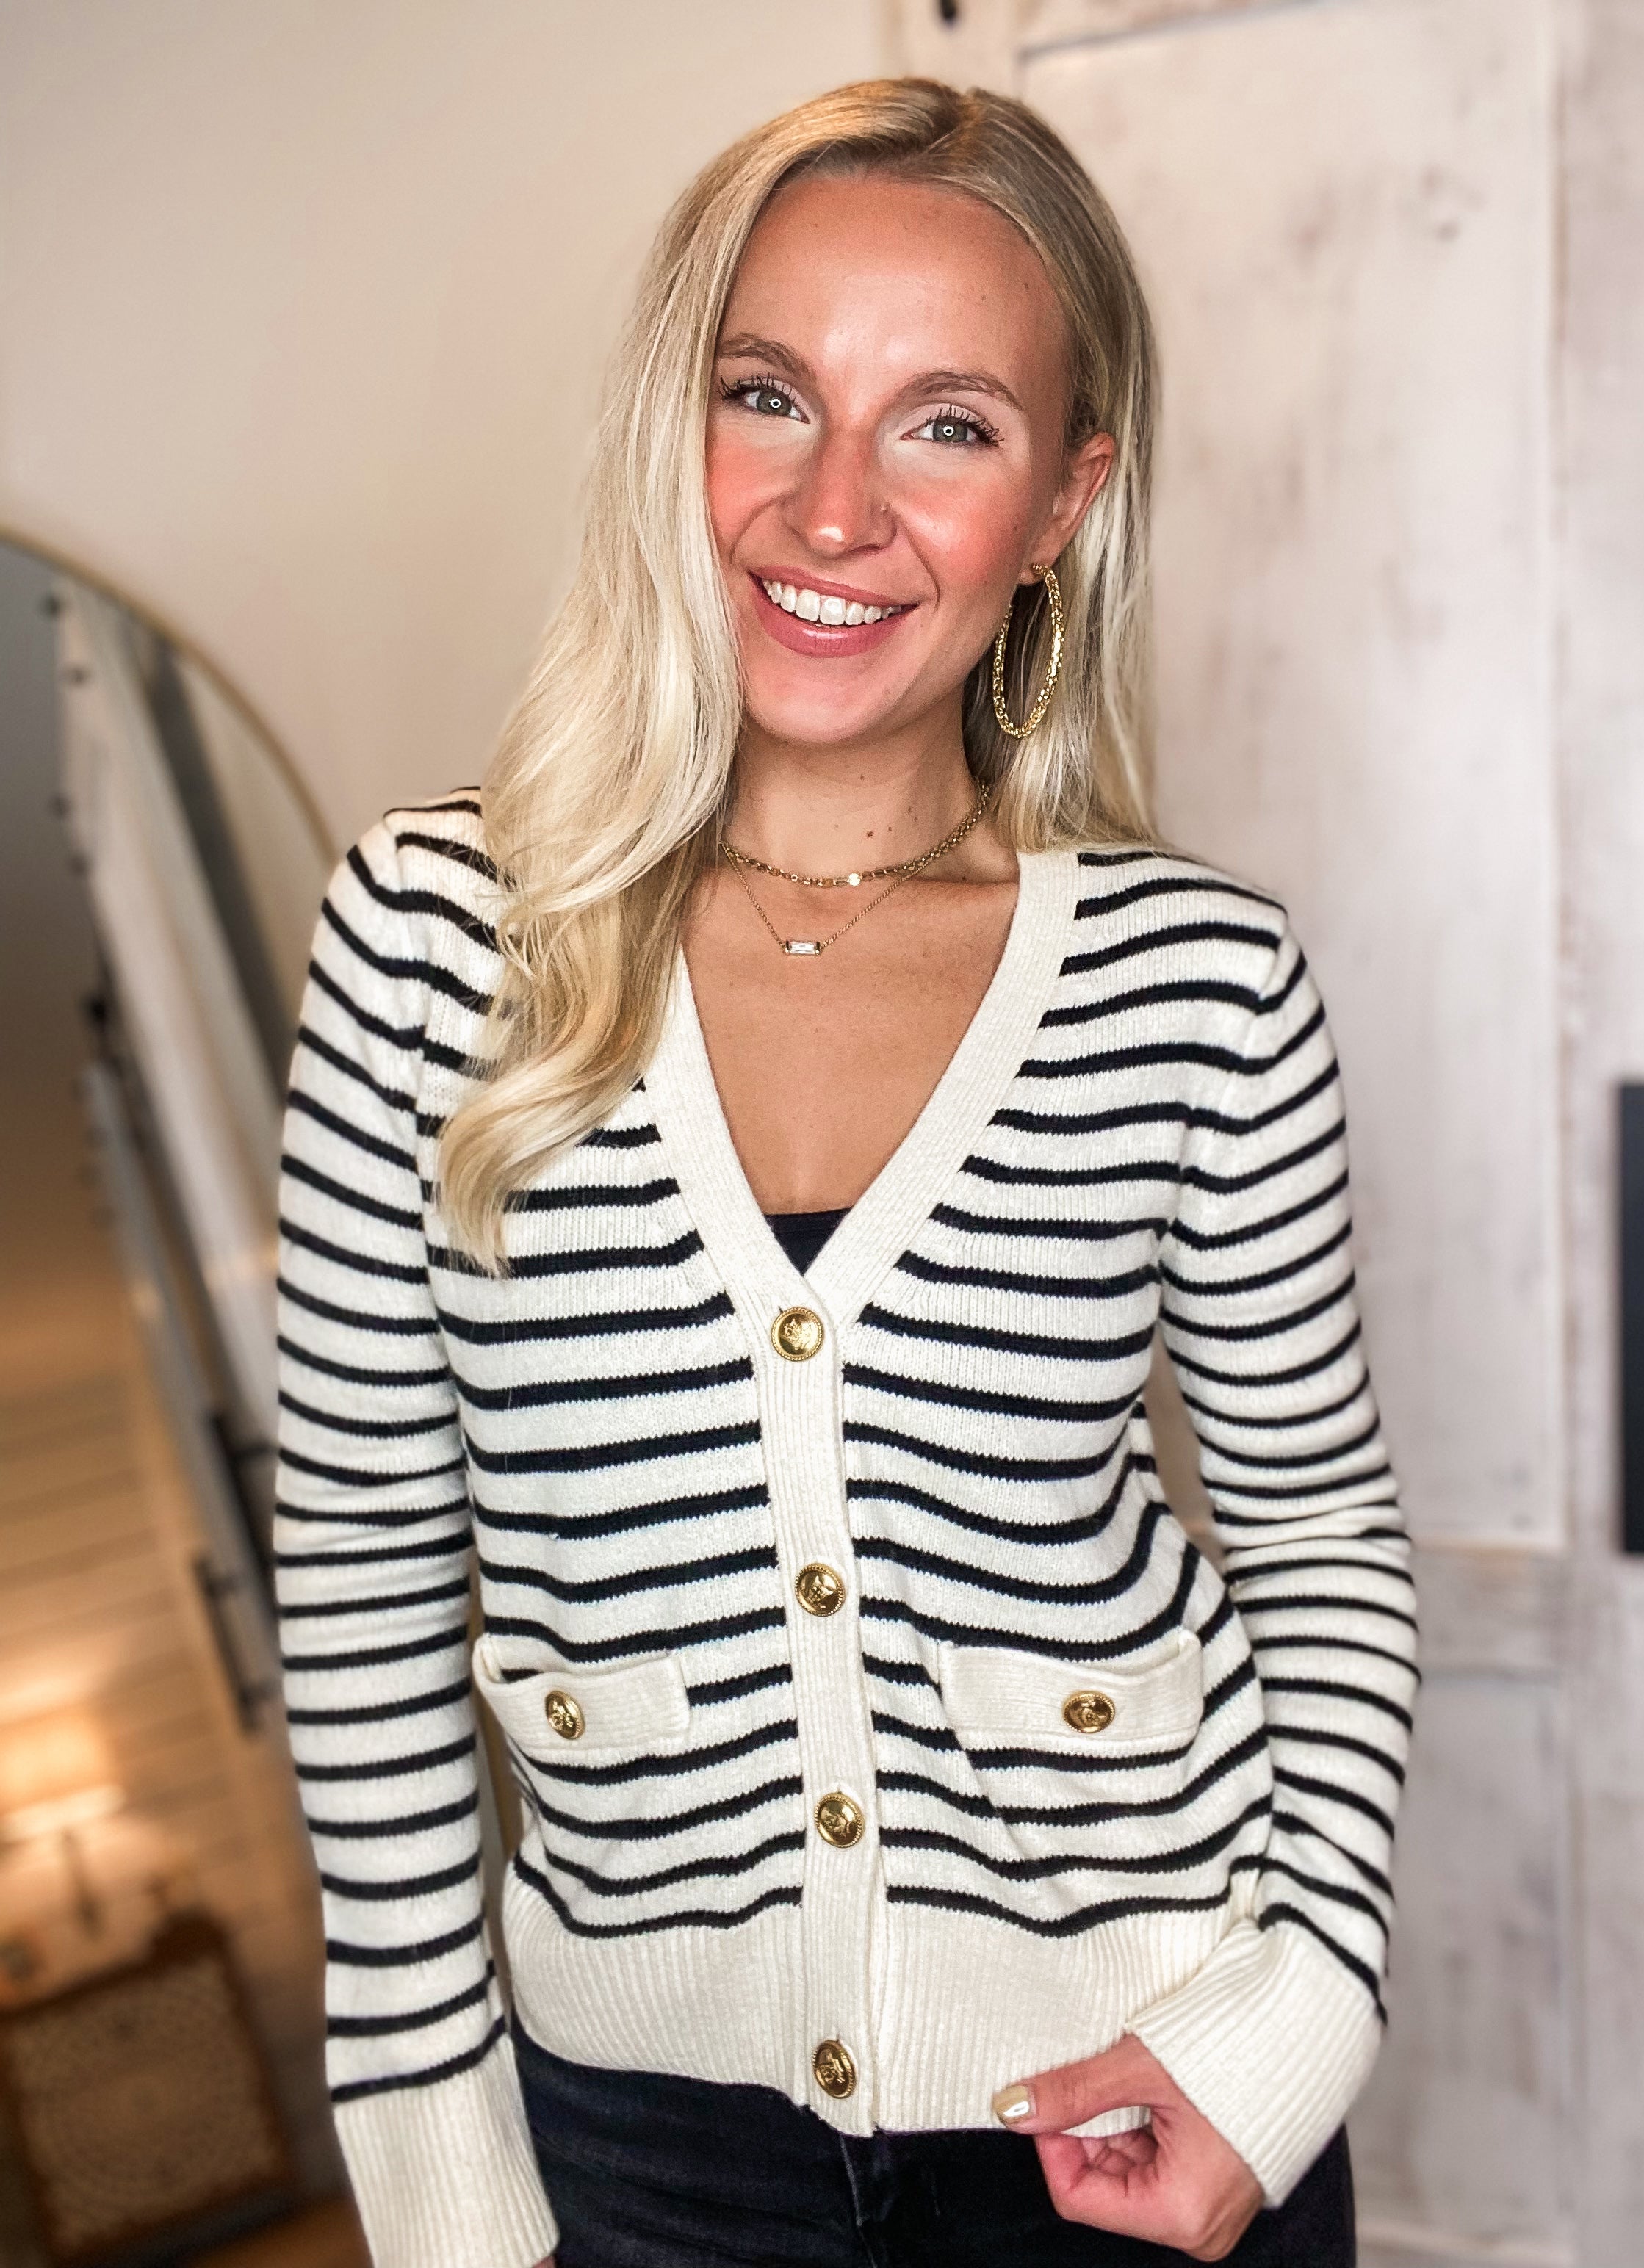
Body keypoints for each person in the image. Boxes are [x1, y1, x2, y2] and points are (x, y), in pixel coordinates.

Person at [276, 77, 1413, 2268]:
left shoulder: (1197, 982)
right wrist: (434, 2165)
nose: (826, 510)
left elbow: (1319, 1535)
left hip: (1140, 2091)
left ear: (1066, 499)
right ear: (667, 428)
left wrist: (1285, 2028)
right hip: (635, 2149)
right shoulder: (429, 938)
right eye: (767, 396)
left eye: (946, 426)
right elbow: (357, 1577)